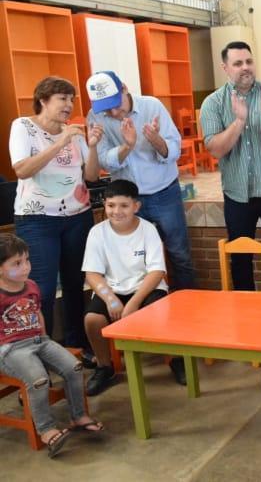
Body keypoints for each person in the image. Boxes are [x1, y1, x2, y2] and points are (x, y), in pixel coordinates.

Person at [200, 41, 261, 389]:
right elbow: (215, 148)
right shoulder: (213, 103)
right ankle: (250, 330)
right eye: (237, 62)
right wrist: (239, 121)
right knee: (240, 260)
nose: (245, 67)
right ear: (225, 67)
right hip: (236, 193)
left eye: (249, 60)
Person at [10, 76, 102, 353]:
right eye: (62, 98)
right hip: (37, 220)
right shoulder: (24, 127)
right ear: (43, 100)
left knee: (76, 284)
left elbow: (91, 175)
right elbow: (22, 170)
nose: (68, 104)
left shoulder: (72, 132)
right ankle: (42, 350)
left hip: (77, 216)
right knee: (44, 289)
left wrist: (93, 145)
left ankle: (77, 345)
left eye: (71, 99)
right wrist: (60, 143)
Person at [85, 70, 195, 290]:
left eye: (117, 104)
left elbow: (173, 151)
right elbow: (105, 160)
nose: (114, 112)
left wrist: (156, 141)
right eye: (107, 108)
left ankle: (189, 304)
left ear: (124, 88)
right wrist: (128, 146)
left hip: (164, 192)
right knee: (132, 259)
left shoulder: (151, 106)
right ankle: (147, 308)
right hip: (127, 198)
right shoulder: (95, 117)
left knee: (179, 253)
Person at [0, 234, 104, 458]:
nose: (25, 267)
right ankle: (46, 429)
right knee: (38, 380)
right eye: (16, 263)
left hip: (39, 340)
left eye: (26, 260)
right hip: (10, 349)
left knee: (74, 368)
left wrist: (45, 339)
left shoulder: (31, 285)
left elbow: (37, 312)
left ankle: (78, 416)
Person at [81, 180, 184, 395]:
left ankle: (176, 359)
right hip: (113, 290)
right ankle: (104, 367)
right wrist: (110, 299)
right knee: (92, 319)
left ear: (136, 206)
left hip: (146, 288)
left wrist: (134, 303)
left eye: (123, 206)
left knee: (163, 313)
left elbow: (156, 272)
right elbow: (92, 273)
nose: (116, 211)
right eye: (110, 205)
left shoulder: (148, 230)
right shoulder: (97, 232)